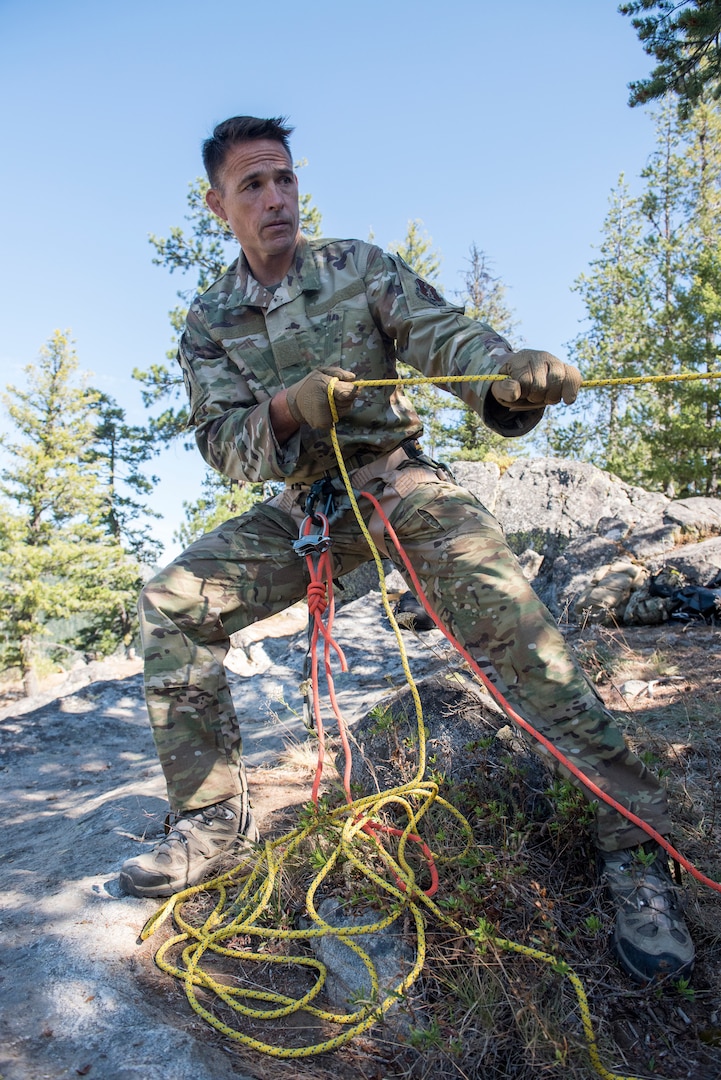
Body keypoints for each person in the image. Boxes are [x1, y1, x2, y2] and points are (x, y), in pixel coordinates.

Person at [119, 115, 694, 984]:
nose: (275, 198)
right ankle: (211, 825)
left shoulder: (356, 268)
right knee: (168, 604)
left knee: (519, 633)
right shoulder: (208, 323)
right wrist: (285, 410)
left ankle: (637, 857)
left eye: (283, 179)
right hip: (306, 511)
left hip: (397, 485)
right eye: (252, 186)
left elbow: (443, 337)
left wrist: (507, 372)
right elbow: (221, 445)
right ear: (218, 204)